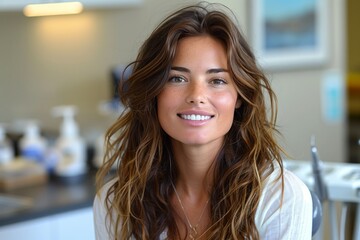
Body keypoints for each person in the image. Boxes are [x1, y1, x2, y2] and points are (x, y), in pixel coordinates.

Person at [93, 3, 313, 240]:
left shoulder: (279, 198)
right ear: (153, 93)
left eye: (217, 80)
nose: (196, 96)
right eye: (177, 78)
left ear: (239, 97)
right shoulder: (116, 203)